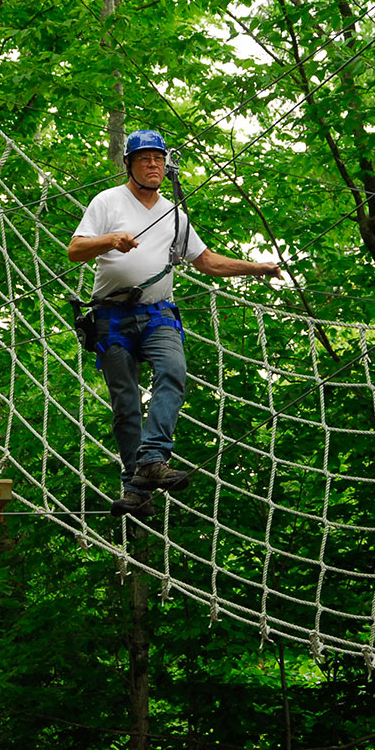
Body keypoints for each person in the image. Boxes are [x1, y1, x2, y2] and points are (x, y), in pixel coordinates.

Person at [68, 129, 281, 518]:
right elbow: (75, 250)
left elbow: (206, 261)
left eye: (159, 159)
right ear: (129, 164)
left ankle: (151, 458)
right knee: (126, 404)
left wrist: (256, 267)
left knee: (173, 370)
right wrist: (110, 240)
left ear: (166, 166)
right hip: (111, 317)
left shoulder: (174, 215)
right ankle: (137, 488)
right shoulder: (107, 202)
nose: (153, 165)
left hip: (156, 313)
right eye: (145, 159)